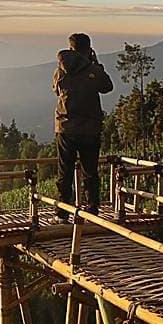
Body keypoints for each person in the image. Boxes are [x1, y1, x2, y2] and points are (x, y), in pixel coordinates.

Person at [52, 32, 113, 221]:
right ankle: (92, 210)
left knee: (65, 171)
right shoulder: (92, 70)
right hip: (90, 128)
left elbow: (56, 89)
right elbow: (107, 86)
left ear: (71, 48)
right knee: (90, 171)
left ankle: (62, 213)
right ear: (89, 49)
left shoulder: (60, 70)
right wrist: (95, 65)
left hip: (65, 127)